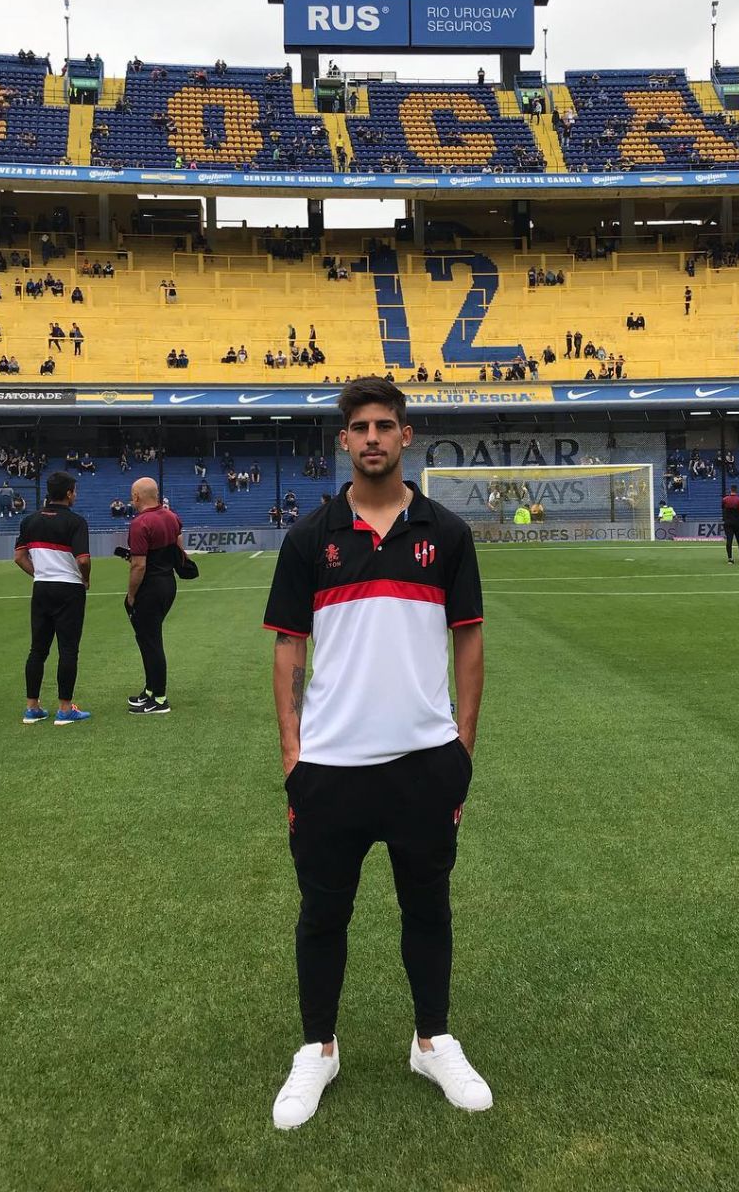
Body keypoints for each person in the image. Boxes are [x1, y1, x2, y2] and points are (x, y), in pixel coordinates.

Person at [264, 377, 490, 1131]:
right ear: (343, 440)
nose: (371, 438)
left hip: (425, 764)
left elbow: (468, 640)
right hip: (330, 768)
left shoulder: (447, 534)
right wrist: (293, 753)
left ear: (405, 436)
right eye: (358, 426)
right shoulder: (310, 538)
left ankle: (432, 1041)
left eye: (383, 425)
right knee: (322, 914)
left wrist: (461, 748)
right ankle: (317, 1049)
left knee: (427, 907)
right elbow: (288, 647)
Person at [13, 472, 92, 725]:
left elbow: (19, 557)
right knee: (68, 649)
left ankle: (32, 707)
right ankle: (65, 709)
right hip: (69, 589)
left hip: (41, 588)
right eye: (74, 491)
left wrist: (39, 573)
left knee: (37, 649)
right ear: (69, 493)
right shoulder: (76, 522)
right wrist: (85, 579)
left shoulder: (30, 520)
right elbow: (83, 560)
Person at [125, 478, 184, 715]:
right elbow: (179, 547)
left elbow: (138, 565)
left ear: (137, 497)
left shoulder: (140, 523)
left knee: (151, 641)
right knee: (148, 638)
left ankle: (159, 698)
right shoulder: (171, 516)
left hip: (150, 587)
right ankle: (150, 690)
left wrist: (131, 595)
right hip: (168, 583)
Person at [721, 483, 739, 564]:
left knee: (729, 540)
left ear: (730, 490)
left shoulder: (725, 499)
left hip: (728, 522)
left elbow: (723, 508)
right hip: (738, 522)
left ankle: (730, 558)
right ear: (736, 490)